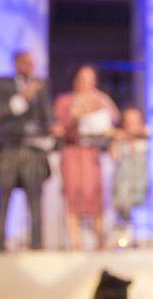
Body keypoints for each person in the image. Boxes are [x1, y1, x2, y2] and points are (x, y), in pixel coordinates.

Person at [0, 50, 57, 251]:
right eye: (25, 62)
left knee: (35, 199)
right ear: (17, 63)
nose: (30, 66)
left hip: (32, 149)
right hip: (8, 148)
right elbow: (0, 113)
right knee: (4, 197)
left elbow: (47, 116)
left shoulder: (41, 86)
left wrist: (52, 129)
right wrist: (25, 95)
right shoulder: (4, 83)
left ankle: (36, 244)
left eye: (32, 63)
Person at [54, 65, 119, 250]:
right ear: (75, 80)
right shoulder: (65, 100)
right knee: (73, 196)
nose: (86, 83)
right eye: (82, 78)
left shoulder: (99, 99)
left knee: (95, 196)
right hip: (72, 151)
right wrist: (75, 115)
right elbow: (61, 124)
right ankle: (75, 245)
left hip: (91, 153)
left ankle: (100, 244)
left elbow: (113, 117)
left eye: (90, 79)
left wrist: (99, 101)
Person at [110, 108, 149, 223]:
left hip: (142, 185)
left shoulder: (146, 139)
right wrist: (117, 140)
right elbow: (113, 156)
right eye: (128, 121)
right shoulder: (119, 140)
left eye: (135, 121)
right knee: (123, 217)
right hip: (123, 186)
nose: (132, 124)